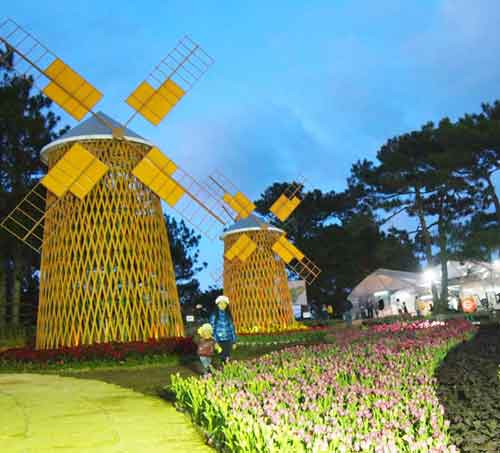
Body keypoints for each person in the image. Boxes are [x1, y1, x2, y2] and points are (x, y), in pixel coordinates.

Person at [209, 295, 237, 362]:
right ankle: (220, 370)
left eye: (224, 303)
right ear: (217, 305)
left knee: (227, 357)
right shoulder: (214, 316)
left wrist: (234, 342)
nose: (222, 305)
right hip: (219, 340)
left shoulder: (228, 315)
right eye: (220, 303)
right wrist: (215, 342)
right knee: (221, 357)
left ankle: (226, 370)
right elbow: (212, 330)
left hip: (228, 340)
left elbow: (232, 329)